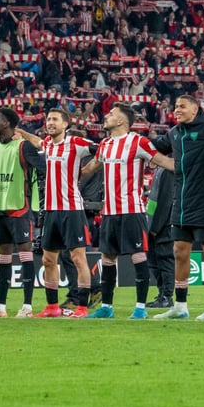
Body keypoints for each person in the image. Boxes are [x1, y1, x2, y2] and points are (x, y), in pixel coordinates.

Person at [151, 95, 204, 321]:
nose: (177, 110)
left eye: (182, 106)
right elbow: (151, 147)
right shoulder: (174, 133)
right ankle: (180, 306)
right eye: (176, 106)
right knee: (179, 251)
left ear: (195, 110)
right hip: (181, 203)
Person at [89, 104, 173, 320]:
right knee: (108, 259)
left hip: (132, 211)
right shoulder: (105, 144)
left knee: (138, 257)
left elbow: (164, 161)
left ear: (121, 121)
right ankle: (106, 307)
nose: (106, 116)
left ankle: (140, 308)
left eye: (111, 114)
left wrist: (195, 166)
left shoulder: (138, 142)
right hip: (109, 212)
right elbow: (91, 167)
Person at [17, 108, 97, 318]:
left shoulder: (76, 143)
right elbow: (37, 141)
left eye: (55, 119)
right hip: (51, 211)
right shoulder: (48, 144)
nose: (50, 122)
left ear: (65, 124)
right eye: (48, 119)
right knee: (48, 260)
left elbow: (101, 151)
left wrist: (90, 169)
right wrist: (22, 133)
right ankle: (52, 307)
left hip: (72, 210)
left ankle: (82, 307)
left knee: (78, 258)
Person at [0, 108, 46, 318]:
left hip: (19, 207)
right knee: (4, 259)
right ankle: (0, 307)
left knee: (25, 255)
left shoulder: (23, 146)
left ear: (7, 123)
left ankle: (27, 306)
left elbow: (44, 168)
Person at [145, 166, 176, 307]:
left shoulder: (168, 170)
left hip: (164, 224)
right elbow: (155, 198)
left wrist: (155, 226)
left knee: (165, 260)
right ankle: (162, 293)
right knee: (154, 261)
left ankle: (167, 296)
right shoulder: (160, 169)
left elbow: (165, 200)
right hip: (153, 222)